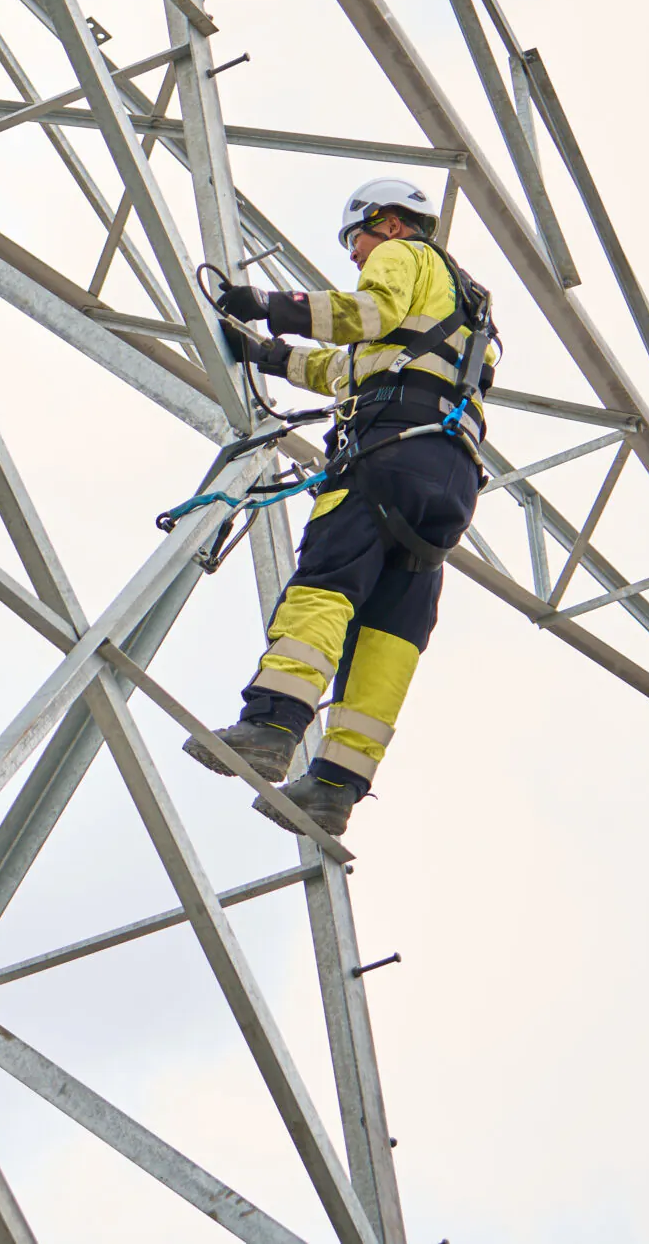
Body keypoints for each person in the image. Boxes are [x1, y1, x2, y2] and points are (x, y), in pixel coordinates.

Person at [186, 177, 495, 837]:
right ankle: (334, 788)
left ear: (385, 222)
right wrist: (268, 354)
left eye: (355, 241)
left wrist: (271, 305)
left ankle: (272, 726)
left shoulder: (405, 255)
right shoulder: (463, 313)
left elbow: (368, 313)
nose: (355, 257)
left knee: (326, 586)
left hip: (387, 456)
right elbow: (346, 368)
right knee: (391, 631)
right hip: (449, 482)